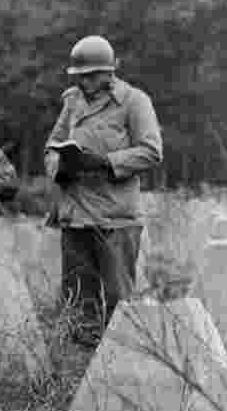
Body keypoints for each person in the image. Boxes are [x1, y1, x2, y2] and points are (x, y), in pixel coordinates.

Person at [45, 35, 162, 348]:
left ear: (112, 71)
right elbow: (51, 146)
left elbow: (151, 151)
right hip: (75, 217)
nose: (86, 82)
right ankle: (78, 374)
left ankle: (121, 370)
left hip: (116, 219)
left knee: (119, 301)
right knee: (76, 304)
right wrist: (60, 166)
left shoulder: (135, 101)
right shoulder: (72, 102)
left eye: (93, 75)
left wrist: (105, 162)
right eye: (80, 76)